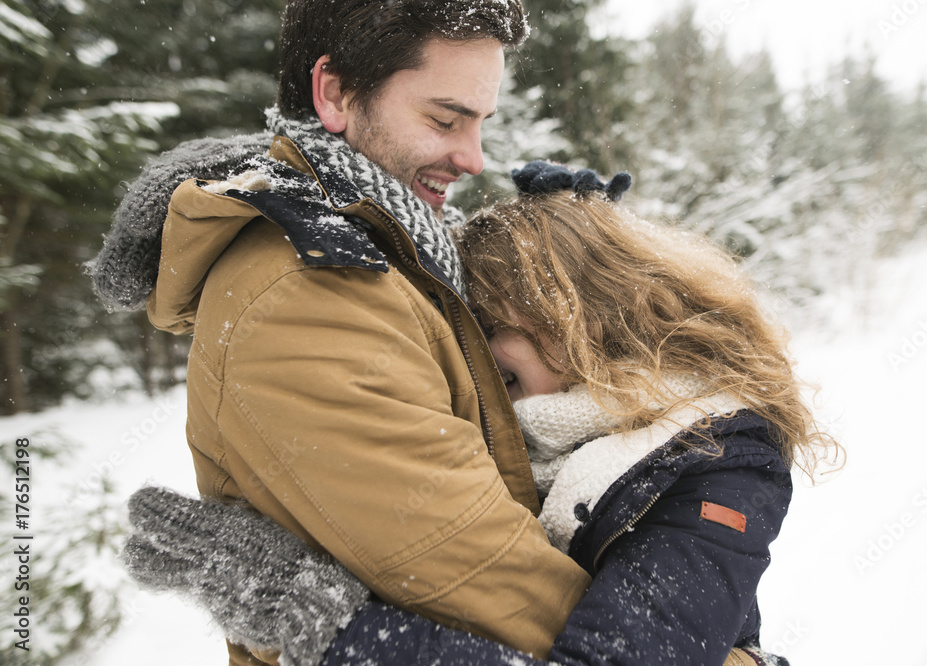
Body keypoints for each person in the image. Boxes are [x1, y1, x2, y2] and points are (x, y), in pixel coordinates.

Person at [124, 162, 839, 665]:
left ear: (576, 308)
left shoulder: (723, 464)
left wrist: (313, 618)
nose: (474, 354)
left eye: (489, 322)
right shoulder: (538, 430)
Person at [88, 2, 596, 664]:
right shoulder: (313, 292)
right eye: (444, 119)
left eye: (481, 124)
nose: (473, 158)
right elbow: (498, 589)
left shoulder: (389, 247)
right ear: (334, 93)